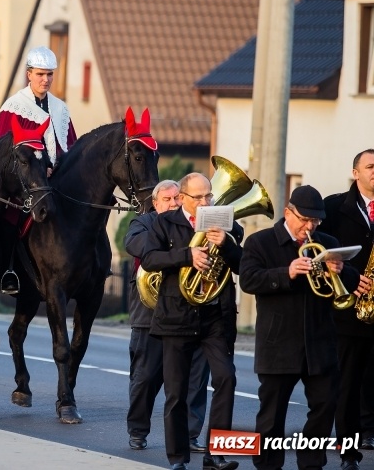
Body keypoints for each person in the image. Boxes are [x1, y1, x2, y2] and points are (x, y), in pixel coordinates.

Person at [239, 185, 362, 470]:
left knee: (324, 407)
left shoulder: (327, 242)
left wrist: (343, 271)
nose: (310, 226)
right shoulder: (261, 242)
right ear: (287, 213)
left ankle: (311, 464)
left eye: (315, 221)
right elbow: (249, 280)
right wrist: (288, 272)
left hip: (320, 342)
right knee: (271, 415)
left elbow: (352, 283)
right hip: (278, 343)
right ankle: (269, 466)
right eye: (305, 219)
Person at [141, 172, 243, 470]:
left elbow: (242, 265)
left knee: (226, 378)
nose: (204, 201)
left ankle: (216, 454)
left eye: (208, 195)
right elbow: (149, 259)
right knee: (176, 392)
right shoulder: (163, 222)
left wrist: (226, 244)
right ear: (183, 198)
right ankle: (177, 459)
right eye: (197, 197)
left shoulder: (227, 223)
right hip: (177, 316)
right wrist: (188, 256)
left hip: (215, 316)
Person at [124, 179, 210, 454]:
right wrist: (177, 250)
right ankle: (138, 430)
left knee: (196, 378)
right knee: (146, 376)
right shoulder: (145, 223)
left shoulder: (194, 222)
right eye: (168, 200)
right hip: (150, 312)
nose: (174, 204)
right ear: (156, 203)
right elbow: (136, 246)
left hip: (192, 310)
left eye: (177, 199)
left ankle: (190, 434)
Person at [0, 46, 77, 293]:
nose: (46, 79)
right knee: (11, 217)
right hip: (24, 184)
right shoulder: (13, 107)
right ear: (29, 74)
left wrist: (61, 168)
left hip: (57, 181)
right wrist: (39, 171)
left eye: (50, 74)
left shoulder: (61, 108)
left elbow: (70, 146)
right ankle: (8, 270)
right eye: (40, 74)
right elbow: (3, 155)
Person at [316, 149, 374, 470]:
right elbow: (318, 245)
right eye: (370, 167)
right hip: (348, 310)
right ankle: (348, 451)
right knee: (348, 384)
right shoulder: (335, 206)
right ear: (356, 173)